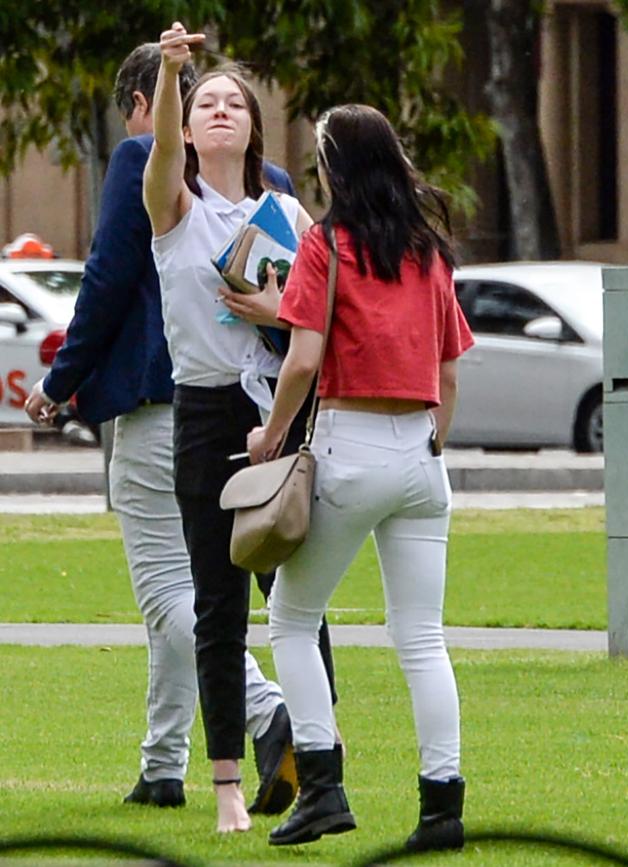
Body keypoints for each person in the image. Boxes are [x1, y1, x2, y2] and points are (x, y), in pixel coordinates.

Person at [24, 42, 304, 817]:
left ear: (144, 106)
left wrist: (59, 381)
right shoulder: (271, 187)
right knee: (207, 587)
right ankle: (162, 760)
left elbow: (110, 277)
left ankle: (265, 706)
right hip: (253, 412)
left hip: (164, 402)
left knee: (169, 589)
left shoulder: (145, 162)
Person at [246, 104, 475, 850]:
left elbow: (304, 359)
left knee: (291, 617)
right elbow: (448, 370)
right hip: (419, 452)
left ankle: (323, 785)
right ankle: (443, 805)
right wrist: (428, 446)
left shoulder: (326, 244)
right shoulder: (428, 250)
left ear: (335, 167)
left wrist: (271, 435)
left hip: (351, 443)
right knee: (422, 636)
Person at [143, 22, 339, 833]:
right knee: (216, 605)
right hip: (204, 411)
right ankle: (227, 783)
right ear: (187, 130)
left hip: (278, 410)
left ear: (256, 127)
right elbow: (156, 152)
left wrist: (275, 310)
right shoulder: (175, 206)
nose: (219, 110)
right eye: (205, 104)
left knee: (299, 598)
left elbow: (322, 318)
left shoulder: (287, 209)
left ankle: (323, 769)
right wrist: (170, 72)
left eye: (234, 103)